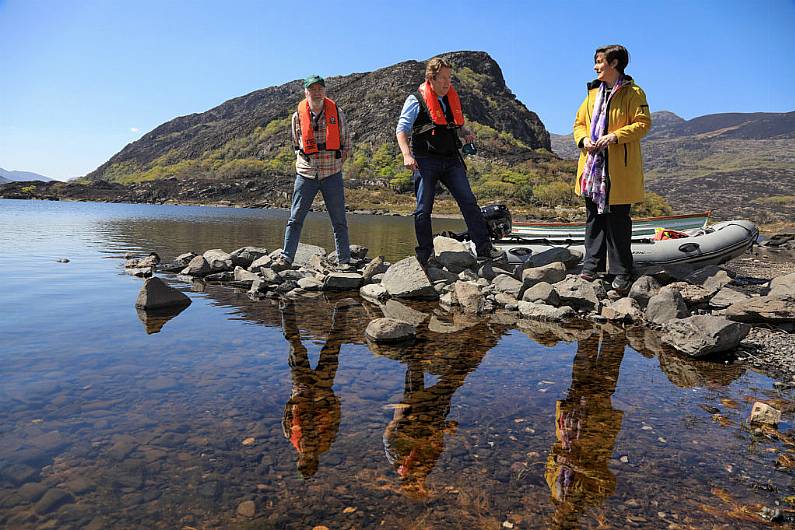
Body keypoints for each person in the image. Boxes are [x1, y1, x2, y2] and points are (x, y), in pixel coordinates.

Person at [396, 57, 505, 266]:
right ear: (431, 78)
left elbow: (453, 124)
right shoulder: (415, 100)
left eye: (449, 78)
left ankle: (484, 248)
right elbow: (401, 130)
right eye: (443, 78)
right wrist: (406, 155)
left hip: (451, 159)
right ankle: (425, 255)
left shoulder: (449, 98)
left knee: (469, 203)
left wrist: (465, 132)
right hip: (425, 160)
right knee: (422, 209)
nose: (447, 83)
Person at [573, 45, 651, 292]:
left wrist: (616, 136)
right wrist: (584, 140)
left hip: (619, 167)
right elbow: (579, 124)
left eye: (599, 62)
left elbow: (643, 124)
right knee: (593, 218)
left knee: (617, 220)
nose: (596, 67)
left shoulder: (633, 93)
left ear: (614, 63)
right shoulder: (592, 94)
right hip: (593, 167)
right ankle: (591, 267)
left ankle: (621, 272)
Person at [278, 74, 352, 269]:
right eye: (312, 89)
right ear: (306, 92)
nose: (316, 92)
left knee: (339, 220)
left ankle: (344, 260)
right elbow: (296, 144)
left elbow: (346, 145)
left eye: (320, 88)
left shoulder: (337, 112)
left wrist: (335, 163)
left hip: (332, 173)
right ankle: (286, 258)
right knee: (295, 218)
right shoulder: (297, 117)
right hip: (306, 174)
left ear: (324, 91)